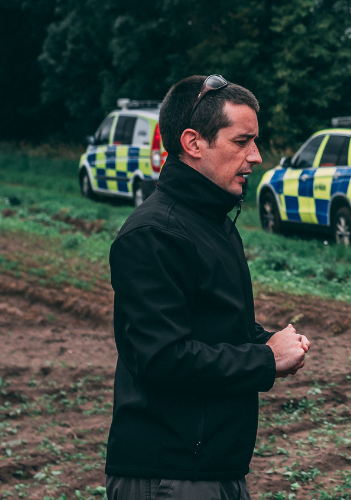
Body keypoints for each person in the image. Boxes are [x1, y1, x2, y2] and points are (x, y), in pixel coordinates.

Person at [104, 75, 310, 500]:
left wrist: (265, 340)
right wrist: (266, 359)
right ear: (193, 143)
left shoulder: (212, 223)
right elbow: (162, 358)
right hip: (170, 475)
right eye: (242, 141)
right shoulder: (155, 234)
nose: (256, 156)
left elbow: (212, 324)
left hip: (213, 468)